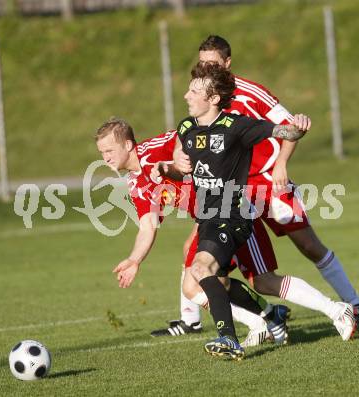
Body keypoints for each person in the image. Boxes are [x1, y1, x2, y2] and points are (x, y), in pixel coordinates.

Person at [153, 35, 359, 339]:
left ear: (227, 64)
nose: (204, 70)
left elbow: (288, 128)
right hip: (234, 194)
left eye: (211, 64)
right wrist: (173, 162)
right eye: (201, 64)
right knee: (202, 256)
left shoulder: (250, 95)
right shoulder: (199, 109)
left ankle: (352, 304)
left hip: (268, 183)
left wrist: (281, 163)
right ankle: (223, 320)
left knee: (306, 246)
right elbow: (187, 144)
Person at [153, 61, 312, 360]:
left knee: (200, 270)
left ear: (213, 99)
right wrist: (169, 169)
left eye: (194, 91)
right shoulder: (187, 128)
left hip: (232, 213)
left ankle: (228, 339)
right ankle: (271, 314)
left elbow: (285, 132)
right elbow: (181, 172)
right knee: (220, 282)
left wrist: (298, 126)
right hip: (208, 218)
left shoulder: (237, 126)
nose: (186, 96)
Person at [95, 117, 290, 346]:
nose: (105, 157)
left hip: (227, 208)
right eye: (101, 152)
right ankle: (267, 316)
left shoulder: (154, 149)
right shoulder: (135, 182)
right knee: (214, 281)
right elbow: (147, 225)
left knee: (240, 281)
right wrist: (134, 259)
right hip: (209, 218)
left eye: (109, 150)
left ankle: (322, 311)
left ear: (127, 145)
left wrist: (179, 152)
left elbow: (186, 132)